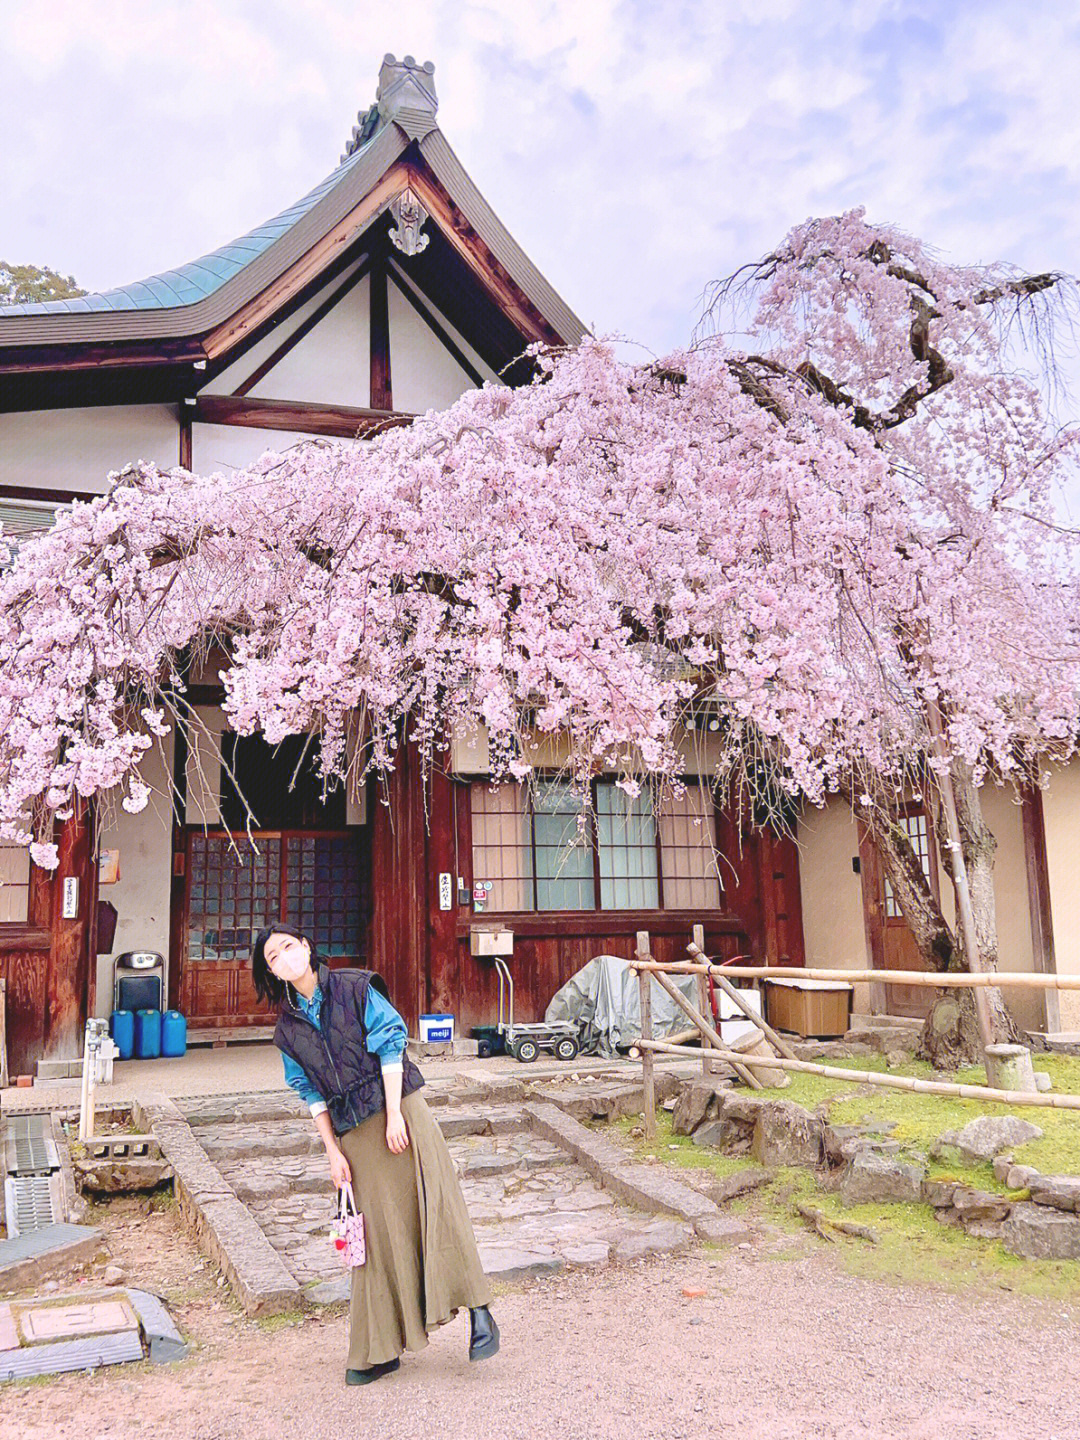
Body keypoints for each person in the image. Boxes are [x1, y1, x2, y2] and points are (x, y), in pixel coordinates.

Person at [252, 925, 498, 1385]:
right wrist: (332, 1152)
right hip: (353, 1133)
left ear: (307, 946)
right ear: (271, 972)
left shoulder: (355, 986)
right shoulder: (287, 1031)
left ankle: (480, 1312)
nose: (284, 956)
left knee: (435, 1208)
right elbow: (309, 1093)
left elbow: (390, 1044)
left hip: (399, 1109)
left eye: (289, 945)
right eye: (273, 955)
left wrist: (394, 1116)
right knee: (376, 1239)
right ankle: (380, 1348)